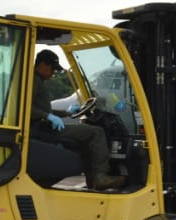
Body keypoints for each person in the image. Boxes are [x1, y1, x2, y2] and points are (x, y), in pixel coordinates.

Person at [32, 49, 124, 190]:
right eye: (52, 69)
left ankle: (92, 180)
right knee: (96, 132)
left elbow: (43, 109)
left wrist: (66, 113)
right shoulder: (34, 81)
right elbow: (25, 106)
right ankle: (100, 177)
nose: (53, 73)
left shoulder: (36, 80)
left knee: (86, 137)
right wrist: (47, 116)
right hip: (43, 129)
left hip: (43, 126)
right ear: (43, 65)